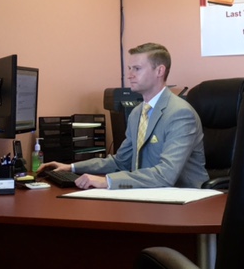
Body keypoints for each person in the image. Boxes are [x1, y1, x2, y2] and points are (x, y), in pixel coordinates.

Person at [37, 42, 209, 189]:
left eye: (137, 68)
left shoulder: (179, 113)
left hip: (183, 202)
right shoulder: (137, 113)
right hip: (147, 195)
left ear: (160, 71)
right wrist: (72, 167)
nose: (130, 75)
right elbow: (121, 162)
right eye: (129, 68)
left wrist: (107, 181)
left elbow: (165, 175)